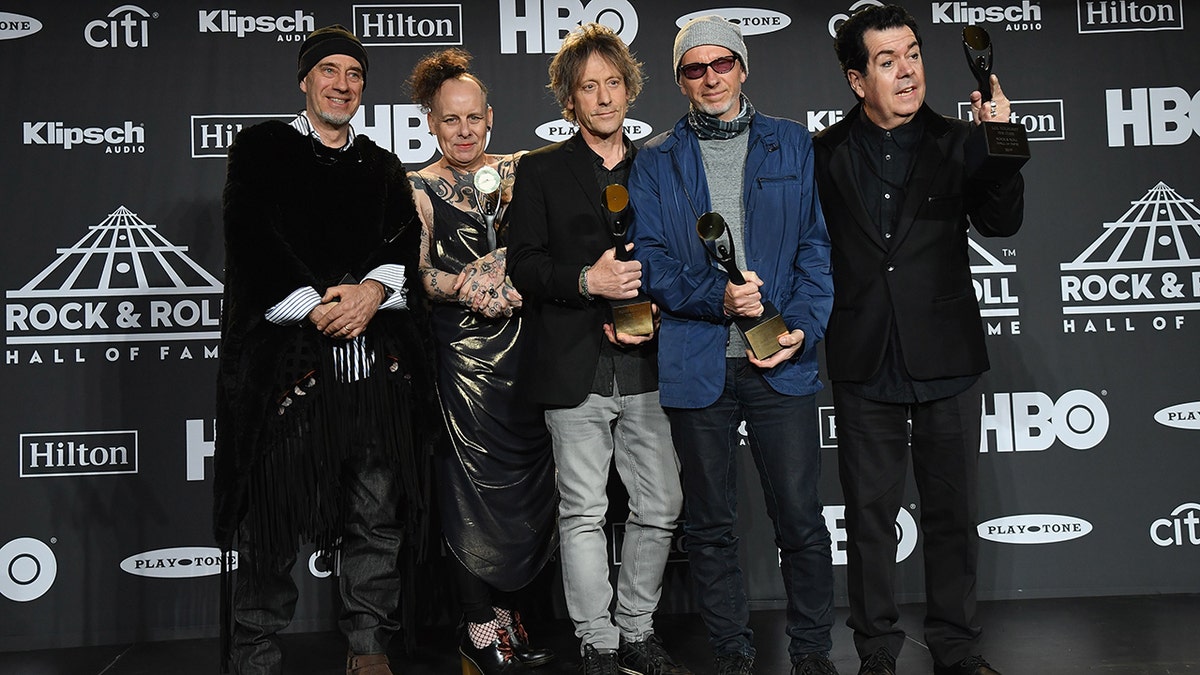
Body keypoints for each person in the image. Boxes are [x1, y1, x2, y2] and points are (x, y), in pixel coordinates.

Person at [213, 24, 432, 675]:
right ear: (305, 79)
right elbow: (251, 240)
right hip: (284, 375)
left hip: (370, 374)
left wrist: (369, 292)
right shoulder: (261, 149)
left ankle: (369, 646)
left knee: (373, 514)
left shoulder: (380, 164)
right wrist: (319, 305)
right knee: (269, 520)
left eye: (354, 74)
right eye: (329, 71)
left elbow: (399, 249)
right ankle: (255, 647)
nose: (342, 84)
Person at [812, 5, 1024, 675]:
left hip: (947, 355)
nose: (907, 71)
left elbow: (1004, 222)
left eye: (913, 54)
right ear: (856, 80)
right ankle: (876, 651)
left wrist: (1000, 139)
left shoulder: (962, 139)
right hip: (864, 355)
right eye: (887, 61)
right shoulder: (823, 153)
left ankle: (957, 648)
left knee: (951, 515)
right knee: (870, 521)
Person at [625, 15, 837, 675]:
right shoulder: (656, 159)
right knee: (711, 525)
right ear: (681, 80)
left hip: (780, 357)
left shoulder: (793, 144)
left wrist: (801, 324)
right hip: (697, 360)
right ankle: (733, 652)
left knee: (801, 519)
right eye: (696, 67)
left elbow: (815, 249)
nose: (711, 77)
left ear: (743, 68)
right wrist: (715, 298)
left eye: (723, 63)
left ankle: (811, 652)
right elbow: (651, 265)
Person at [506, 22, 691, 675]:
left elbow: (686, 258)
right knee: (583, 508)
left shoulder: (664, 164)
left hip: (649, 362)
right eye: (590, 86)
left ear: (629, 89)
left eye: (613, 83)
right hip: (571, 365)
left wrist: (665, 308)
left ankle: (637, 627)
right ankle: (598, 639)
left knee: (661, 503)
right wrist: (590, 280)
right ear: (570, 98)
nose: (604, 96)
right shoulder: (539, 171)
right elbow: (523, 266)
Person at [405, 48, 557, 675]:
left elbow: (547, 243)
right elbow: (414, 275)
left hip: (528, 358)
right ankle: (476, 625)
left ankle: (510, 616)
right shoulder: (415, 187)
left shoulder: (523, 170)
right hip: (460, 362)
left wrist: (515, 277)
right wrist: (463, 284)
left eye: (473, 118)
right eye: (449, 121)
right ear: (430, 122)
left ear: (490, 117)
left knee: (527, 492)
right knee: (466, 494)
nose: (463, 131)